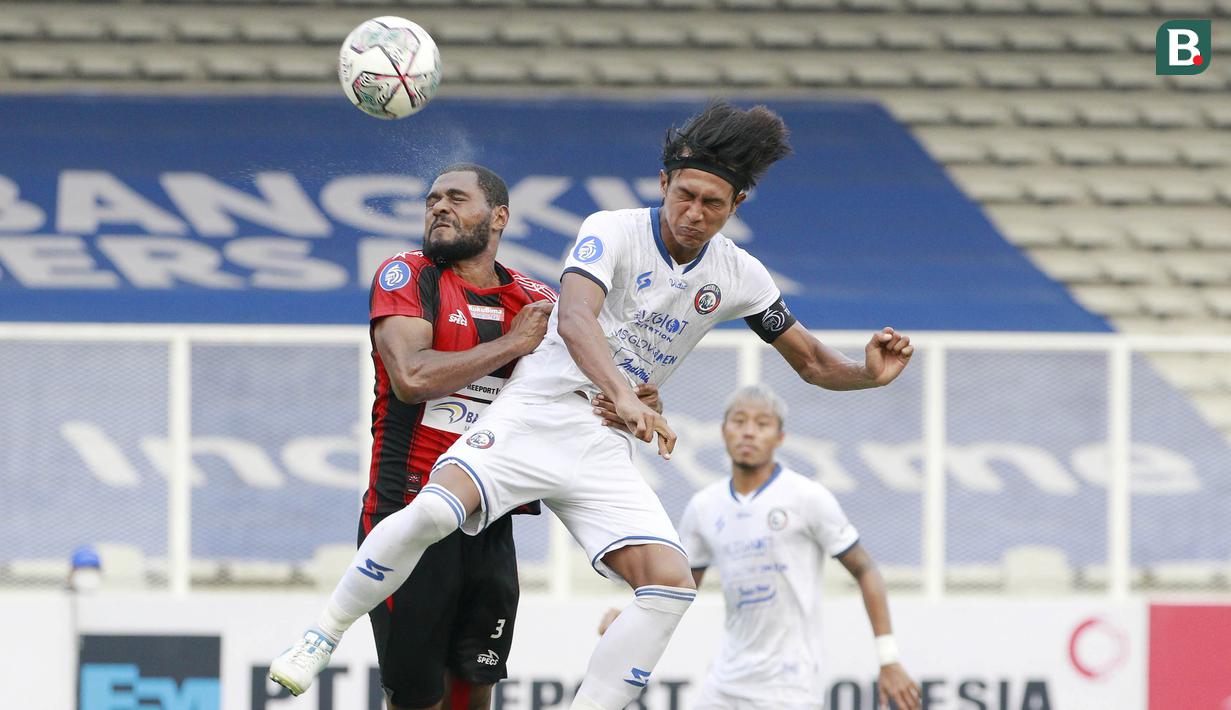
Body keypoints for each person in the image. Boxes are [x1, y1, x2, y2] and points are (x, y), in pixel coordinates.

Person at [271, 101, 915, 710]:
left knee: (670, 584)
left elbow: (812, 362)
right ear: (663, 182)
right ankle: (323, 632)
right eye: (683, 195)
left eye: (711, 203)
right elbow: (576, 319)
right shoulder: (611, 230)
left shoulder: (741, 275)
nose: (693, 212)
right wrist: (623, 397)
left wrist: (870, 373)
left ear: (736, 204)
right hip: (537, 413)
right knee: (433, 512)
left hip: (601, 442)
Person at [271, 163, 559, 709]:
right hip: (405, 513)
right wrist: (513, 345)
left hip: (489, 518)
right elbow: (412, 379)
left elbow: (573, 379)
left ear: (498, 217)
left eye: (456, 198)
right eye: (432, 200)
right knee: (417, 697)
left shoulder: (534, 298)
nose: (439, 207)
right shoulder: (408, 274)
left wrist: (626, 392)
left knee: (477, 683)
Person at [599, 384, 921, 710]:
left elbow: (865, 569)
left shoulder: (807, 497)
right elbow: (678, 586)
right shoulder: (705, 507)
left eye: (762, 424)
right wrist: (631, 616)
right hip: (725, 684)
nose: (749, 432)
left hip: (790, 686)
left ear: (779, 438)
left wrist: (889, 658)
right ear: (723, 431)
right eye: (739, 421)